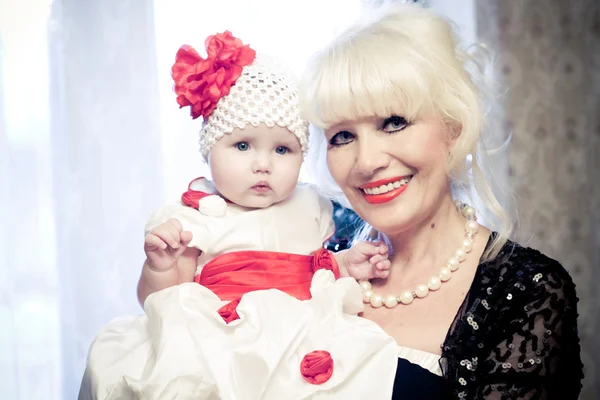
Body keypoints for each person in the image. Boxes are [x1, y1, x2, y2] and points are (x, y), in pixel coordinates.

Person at [79, 31, 398, 400]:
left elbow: (314, 268)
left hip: (303, 336)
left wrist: (346, 263)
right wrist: (161, 267)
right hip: (226, 340)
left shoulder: (310, 205)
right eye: (242, 145)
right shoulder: (198, 216)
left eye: (282, 149)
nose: (262, 164)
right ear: (210, 151)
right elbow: (161, 301)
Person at [298, 3, 584, 399]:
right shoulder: (312, 263)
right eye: (342, 136)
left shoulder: (526, 293)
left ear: (454, 130)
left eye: (394, 122)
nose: (366, 163)